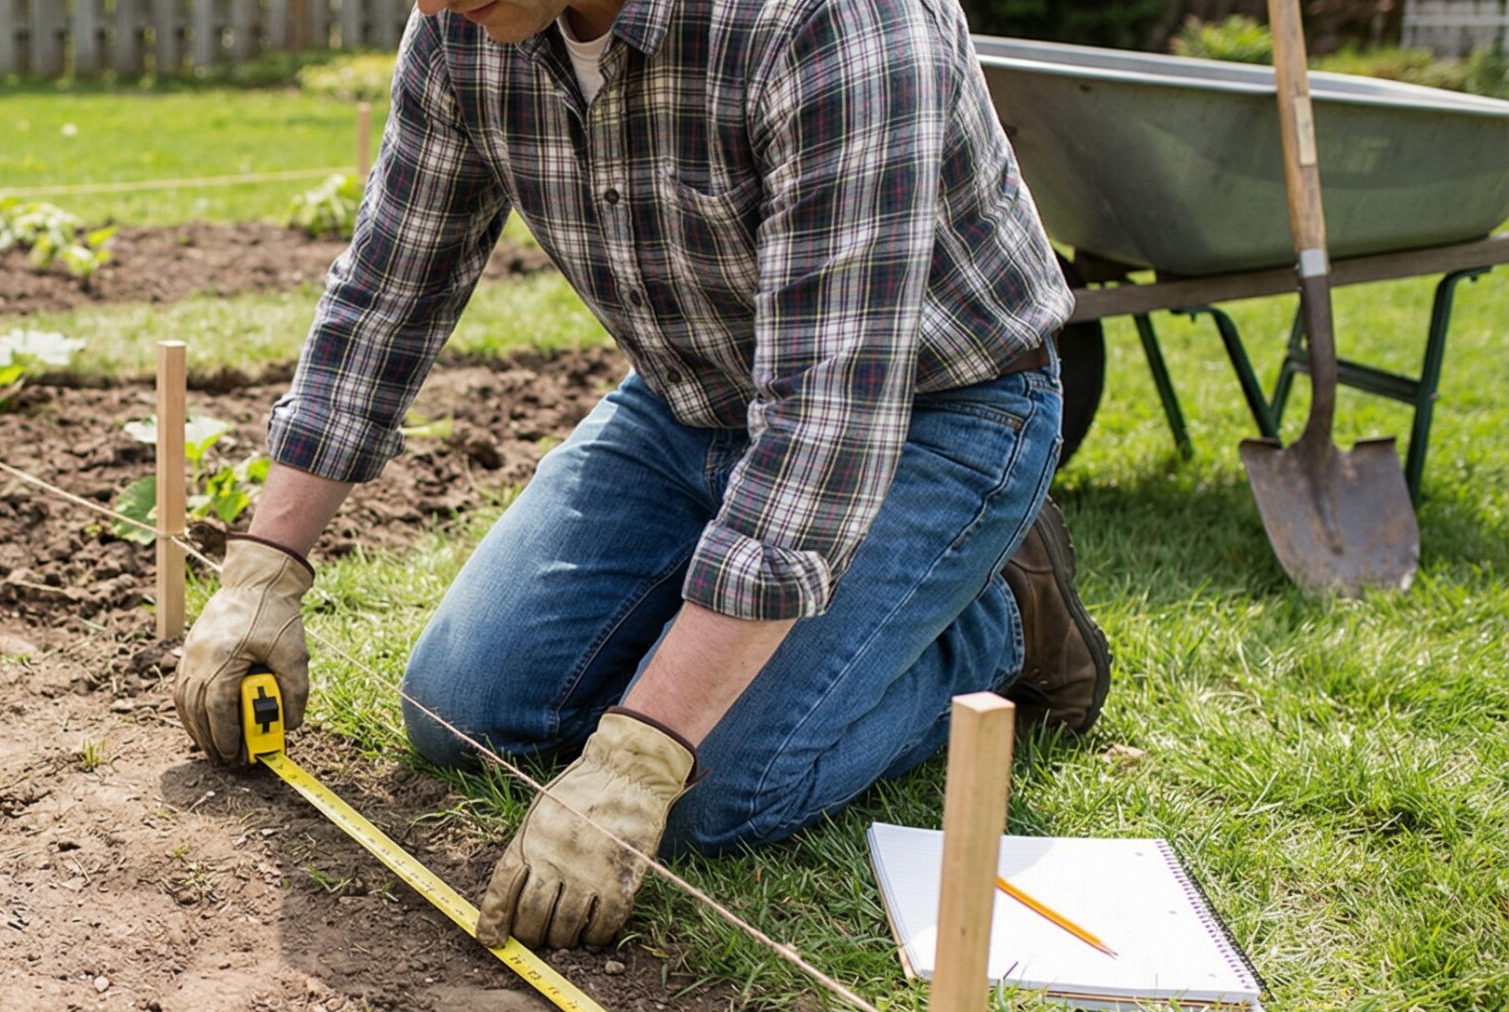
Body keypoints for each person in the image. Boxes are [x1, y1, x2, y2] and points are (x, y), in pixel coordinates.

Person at [172, 0, 1109, 952]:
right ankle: (751, 644)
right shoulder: (465, 25)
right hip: (690, 397)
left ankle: (999, 626)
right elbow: (387, 289)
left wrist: (642, 749)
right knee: (460, 711)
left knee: (715, 794)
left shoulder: (831, 20)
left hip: (928, 415)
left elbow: (825, 424)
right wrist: (265, 568)